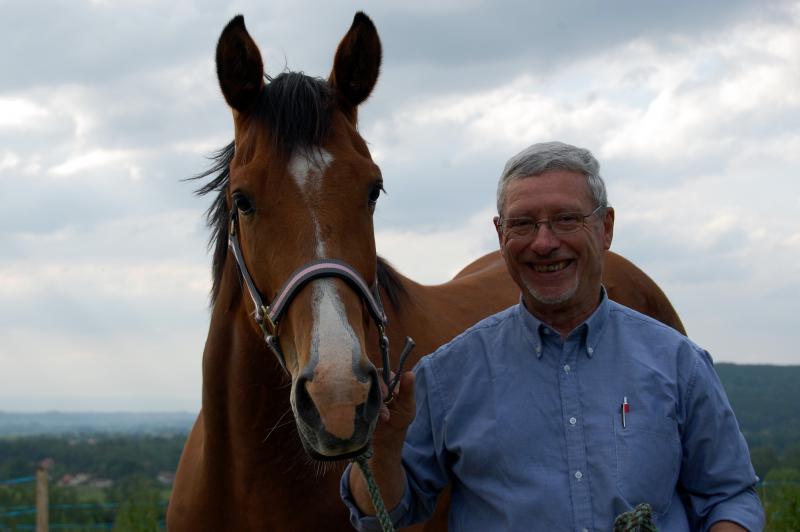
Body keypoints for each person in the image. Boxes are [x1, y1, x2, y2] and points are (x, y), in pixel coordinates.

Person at [340, 141, 764, 531]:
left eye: (566, 219)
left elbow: (729, 496)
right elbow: (385, 516)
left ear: (606, 228)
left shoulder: (678, 362)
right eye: (523, 224)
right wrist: (380, 450)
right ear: (501, 235)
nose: (544, 243)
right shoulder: (448, 375)